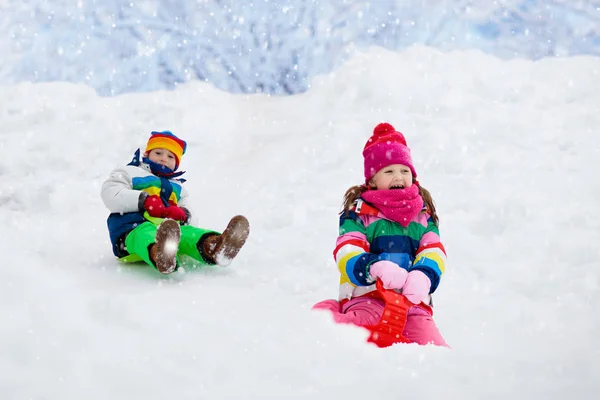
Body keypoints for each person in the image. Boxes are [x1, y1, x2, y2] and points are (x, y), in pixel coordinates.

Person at [313, 122, 448, 347]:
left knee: (431, 347)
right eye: (389, 171)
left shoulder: (423, 213)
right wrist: (373, 267)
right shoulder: (358, 213)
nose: (398, 177)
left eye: (405, 171)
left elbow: (433, 249)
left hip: (411, 303)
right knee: (355, 338)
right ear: (373, 180)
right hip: (368, 296)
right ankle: (326, 318)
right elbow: (347, 248)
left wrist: (424, 275)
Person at [101, 130, 249, 274]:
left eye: (170, 156)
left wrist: (184, 215)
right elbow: (111, 193)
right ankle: (160, 254)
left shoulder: (177, 187)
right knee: (145, 234)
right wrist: (143, 200)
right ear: (147, 154)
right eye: (158, 153)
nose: (164, 158)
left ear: (176, 164)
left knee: (188, 233)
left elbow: (189, 211)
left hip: (169, 231)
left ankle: (215, 247)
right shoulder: (130, 172)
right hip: (131, 230)